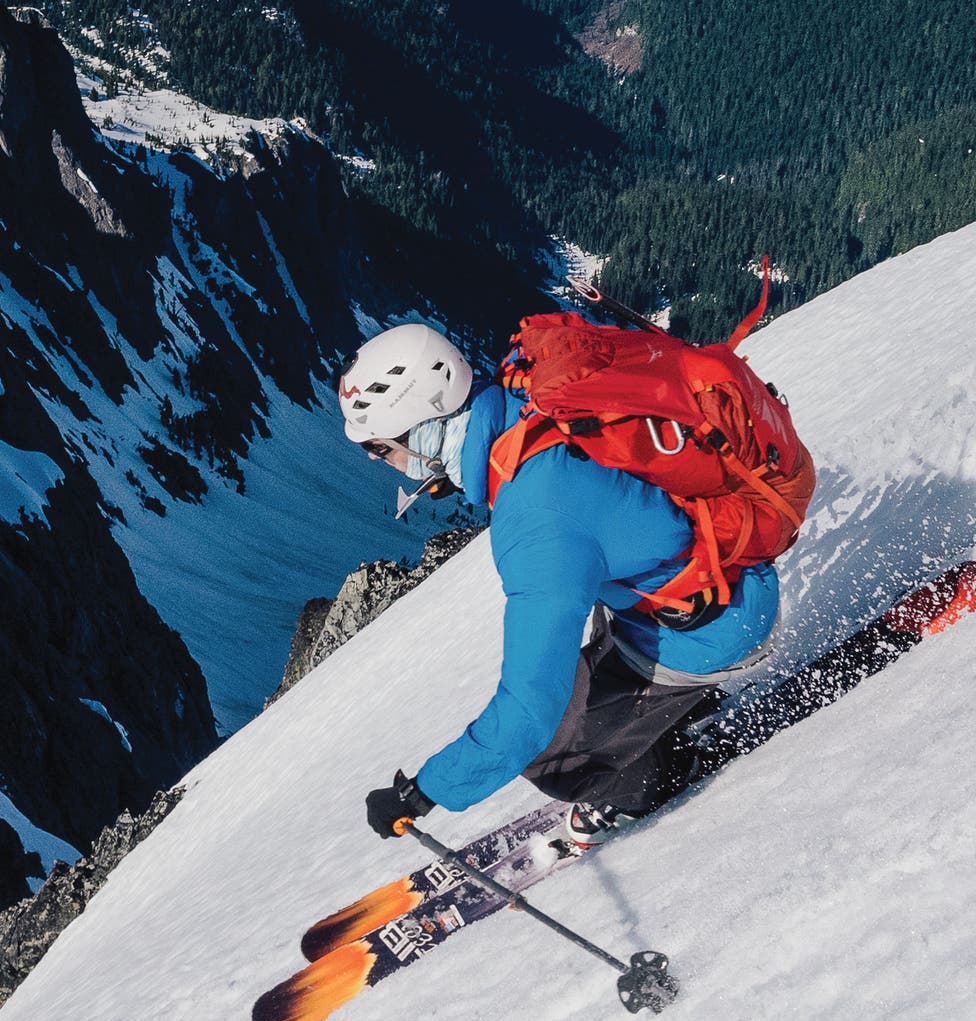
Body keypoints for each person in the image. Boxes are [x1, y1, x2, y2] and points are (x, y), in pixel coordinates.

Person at [334, 319, 788, 844]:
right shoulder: (530, 393)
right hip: (713, 579)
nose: (385, 463)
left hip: (712, 629)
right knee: (578, 668)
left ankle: (655, 777)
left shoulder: (538, 525)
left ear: (427, 425)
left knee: (552, 755)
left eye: (380, 448)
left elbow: (529, 711)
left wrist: (423, 792)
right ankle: (666, 709)